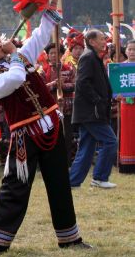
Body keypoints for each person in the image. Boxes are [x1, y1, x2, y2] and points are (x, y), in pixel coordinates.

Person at [0, 7, 91, 254]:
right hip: (25, 137)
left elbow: (41, 34)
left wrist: (50, 0)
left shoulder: (21, 55)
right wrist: (14, 54)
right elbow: (14, 80)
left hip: (51, 127)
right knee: (16, 186)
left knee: (59, 183)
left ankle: (69, 237)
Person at [69, 29, 117, 189]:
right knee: (110, 141)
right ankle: (100, 177)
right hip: (91, 112)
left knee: (86, 148)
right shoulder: (88, 57)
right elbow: (82, 83)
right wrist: (97, 101)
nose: (105, 41)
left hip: (91, 112)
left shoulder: (93, 57)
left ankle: (73, 181)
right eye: (102, 39)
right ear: (92, 42)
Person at [41, 42, 75, 164]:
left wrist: (63, 86)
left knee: (67, 136)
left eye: (57, 53)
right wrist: (54, 84)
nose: (54, 55)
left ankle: (66, 161)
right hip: (50, 110)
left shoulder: (69, 68)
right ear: (48, 55)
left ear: (61, 54)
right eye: (52, 53)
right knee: (51, 136)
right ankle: (51, 162)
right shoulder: (43, 71)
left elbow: (75, 85)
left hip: (67, 108)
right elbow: (41, 89)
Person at [118, 39, 135, 173]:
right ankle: (127, 164)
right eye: (129, 49)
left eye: (134, 49)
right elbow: (114, 87)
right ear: (125, 51)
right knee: (127, 134)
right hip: (125, 105)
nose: (132, 52)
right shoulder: (120, 67)